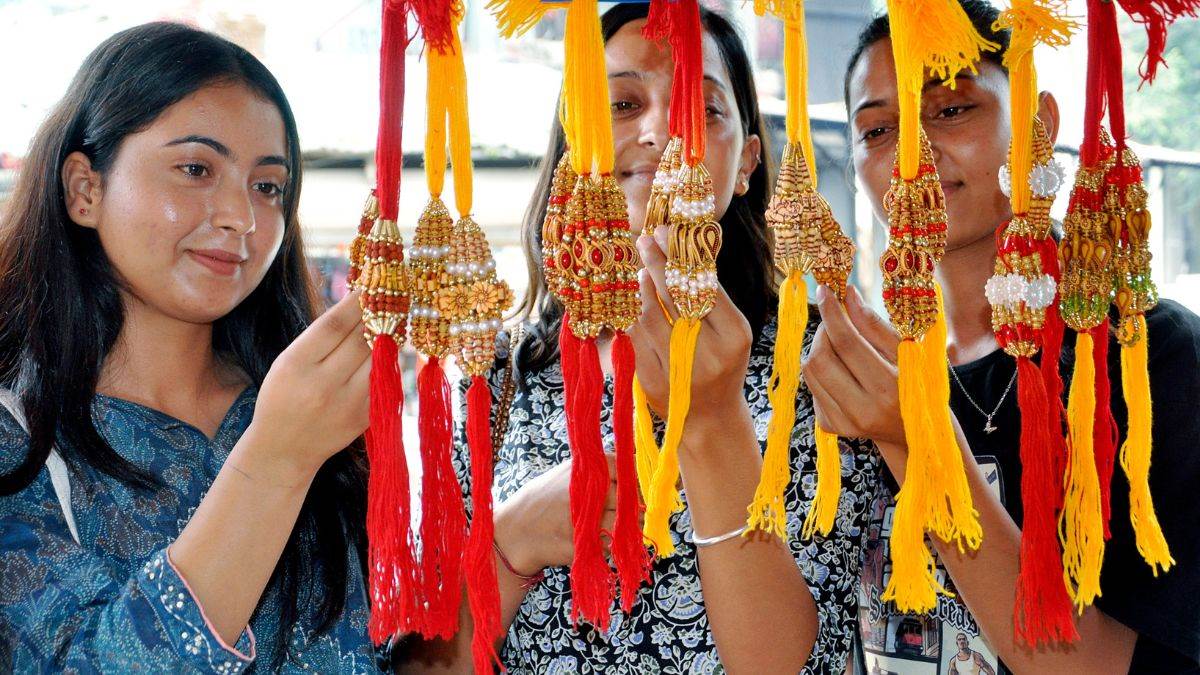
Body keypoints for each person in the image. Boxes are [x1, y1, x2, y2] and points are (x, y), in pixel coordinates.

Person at [398, 4, 879, 673]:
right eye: (623, 105)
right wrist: (511, 542)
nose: (660, 132)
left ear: (746, 161)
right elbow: (422, 662)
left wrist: (713, 425)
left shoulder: (824, 364)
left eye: (702, 110)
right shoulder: (497, 376)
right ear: (576, 143)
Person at [807, 1, 1200, 672]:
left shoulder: (1148, 358)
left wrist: (919, 442)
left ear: (1037, 123)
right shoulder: (856, 373)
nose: (911, 155)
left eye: (952, 109)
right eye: (878, 130)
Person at [0, 23, 381, 672]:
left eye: (268, 186)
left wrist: (509, 551)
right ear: (84, 190)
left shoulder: (317, 410)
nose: (242, 217)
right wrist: (276, 460)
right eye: (196, 169)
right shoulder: (19, 433)